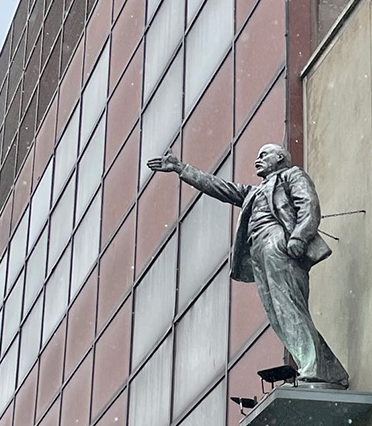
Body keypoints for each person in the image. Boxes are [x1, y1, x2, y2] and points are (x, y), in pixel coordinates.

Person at [147, 144, 349, 388]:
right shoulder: (254, 193)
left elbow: (309, 206)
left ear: (280, 157)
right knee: (278, 315)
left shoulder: (291, 176)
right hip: (258, 253)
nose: (257, 159)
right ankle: (329, 370)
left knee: (289, 307)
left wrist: (299, 237)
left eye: (263, 154)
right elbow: (220, 188)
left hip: (279, 242)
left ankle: (312, 369)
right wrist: (181, 168)